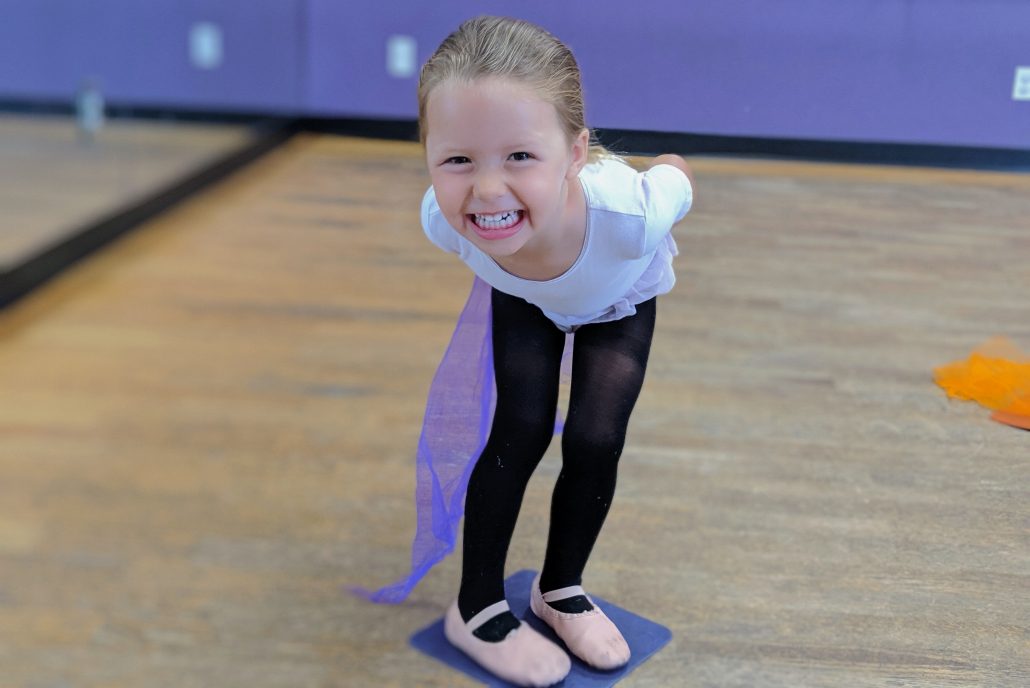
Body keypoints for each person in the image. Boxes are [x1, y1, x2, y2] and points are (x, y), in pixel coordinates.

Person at [367, 16, 694, 687]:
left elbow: (676, 177)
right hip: (522, 288)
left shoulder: (629, 216)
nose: (486, 190)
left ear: (576, 154)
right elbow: (475, 204)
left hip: (617, 293)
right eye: (458, 159)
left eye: (519, 156)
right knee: (517, 431)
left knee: (596, 438)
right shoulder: (445, 220)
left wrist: (668, 169)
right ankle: (475, 605)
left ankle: (561, 589)